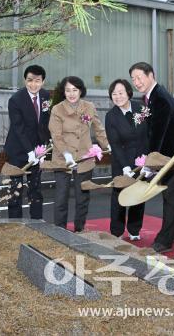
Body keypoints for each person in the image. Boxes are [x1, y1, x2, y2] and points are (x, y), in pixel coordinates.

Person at [129, 62, 174, 253]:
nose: (136, 82)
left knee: (170, 196)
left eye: (140, 77)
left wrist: (151, 162)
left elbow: (158, 134)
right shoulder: (153, 97)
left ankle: (165, 240)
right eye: (133, 79)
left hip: (172, 157)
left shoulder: (159, 98)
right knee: (172, 195)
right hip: (168, 155)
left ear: (151, 75)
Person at [49, 76, 109, 232]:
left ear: (81, 90)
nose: (71, 94)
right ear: (63, 92)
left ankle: (79, 229)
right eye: (68, 90)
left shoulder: (89, 107)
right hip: (63, 159)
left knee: (82, 197)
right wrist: (66, 154)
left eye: (75, 90)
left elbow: (98, 128)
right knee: (61, 197)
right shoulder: (57, 109)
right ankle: (59, 231)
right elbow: (56, 135)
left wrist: (107, 144)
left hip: (84, 157)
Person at [3, 65, 51, 219]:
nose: (33, 84)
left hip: (37, 150)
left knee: (35, 189)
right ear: (25, 80)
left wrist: (42, 149)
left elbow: (45, 123)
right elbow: (18, 128)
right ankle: (15, 224)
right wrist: (30, 152)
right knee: (16, 190)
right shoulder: (15, 100)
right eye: (30, 80)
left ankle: (37, 222)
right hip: (18, 151)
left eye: (37, 81)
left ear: (43, 81)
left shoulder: (45, 96)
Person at [105, 79, 148, 240]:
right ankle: (116, 231)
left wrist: (148, 159)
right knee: (119, 197)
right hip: (121, 161)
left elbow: (148, 134)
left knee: (138, 195)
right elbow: (114, 144)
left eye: (121, 93)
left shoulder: (141, 108)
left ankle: (134, 229)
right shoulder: (111, 116)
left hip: (141, 160)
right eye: (114, 94)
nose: (118, 97)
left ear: (129, 93)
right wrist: (124, 166)